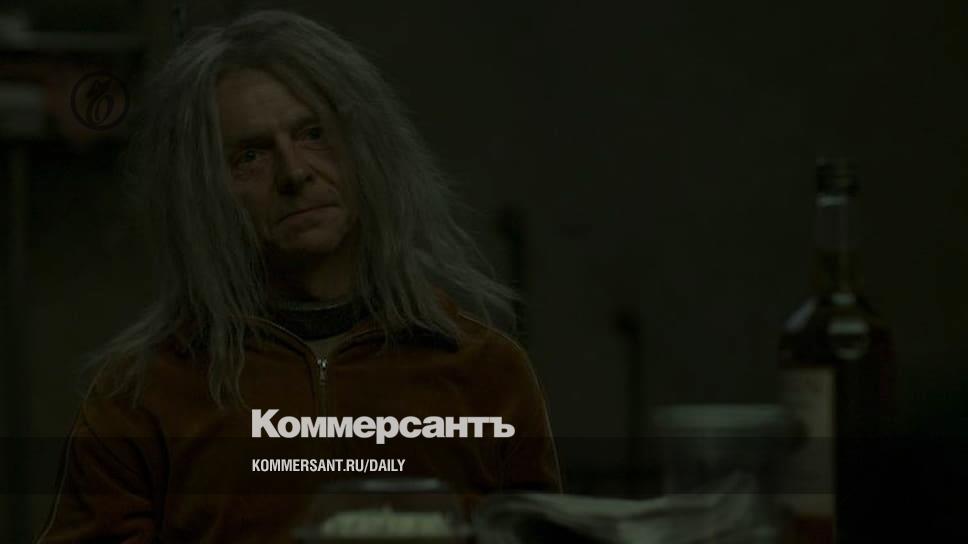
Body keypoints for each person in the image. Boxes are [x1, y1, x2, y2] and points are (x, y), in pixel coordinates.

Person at [37, 10, 560, 543]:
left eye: (314, 134)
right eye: (250, 155)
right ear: (206, 193)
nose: (295, 172)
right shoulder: (142, 394)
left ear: (366, 150)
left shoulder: (485, 372)